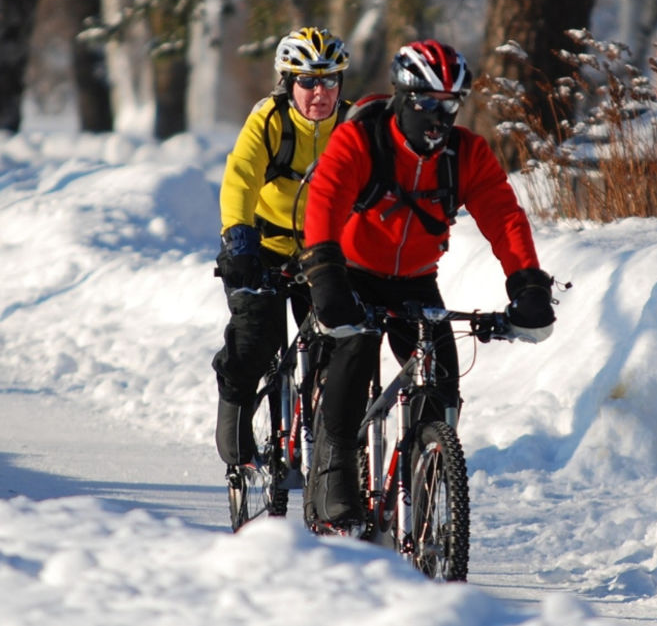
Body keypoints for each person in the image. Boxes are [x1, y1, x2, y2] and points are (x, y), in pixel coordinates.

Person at [298, 39, 556, 528]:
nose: (439, 117)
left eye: (450, 105)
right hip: (351, 272)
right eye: (426, 104)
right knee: (353, 354)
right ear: (401, 97)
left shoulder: (467, 154)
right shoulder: (362, 141)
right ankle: (335, 470)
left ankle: (425, 465)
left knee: (441, 380)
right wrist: (326, 276)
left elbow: (504, 218)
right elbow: (325, 202)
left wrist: (527, 284)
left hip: (416, 281)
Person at [212, 27, 351, 484]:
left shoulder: (352, 126)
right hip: (263, 246)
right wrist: (237, 240)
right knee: (256, 339)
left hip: (323, 250)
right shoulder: (269, 121)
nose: (319, 93)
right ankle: (235, 424)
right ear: (288, 82)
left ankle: (328, 448)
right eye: (308, 81)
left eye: (329, 81)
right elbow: (240, 179)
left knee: (340, 343)